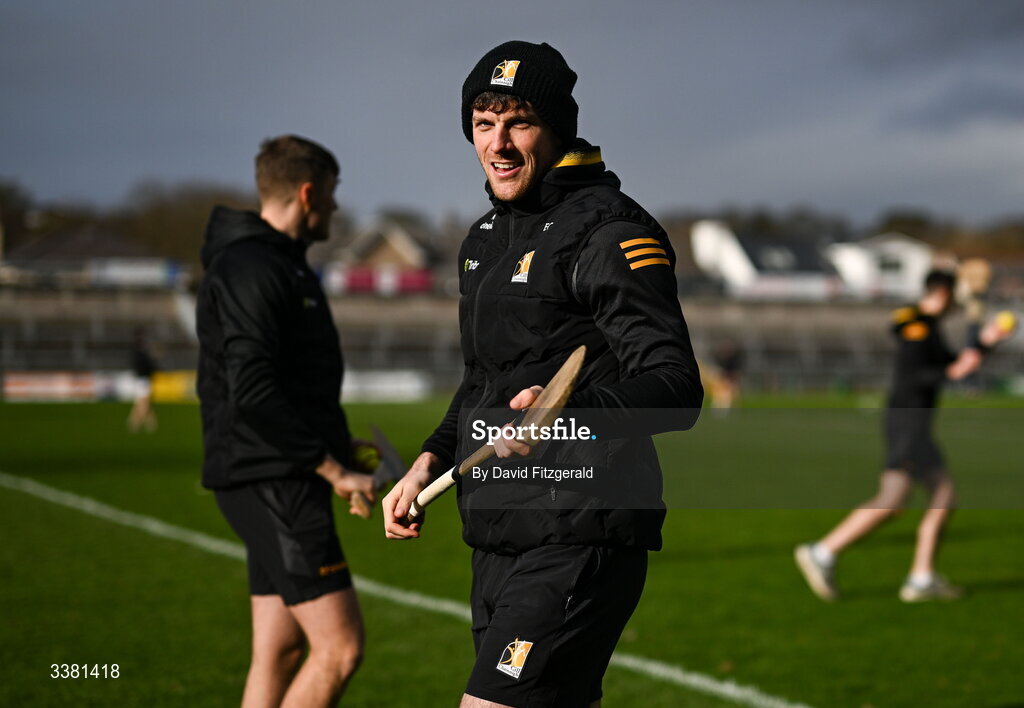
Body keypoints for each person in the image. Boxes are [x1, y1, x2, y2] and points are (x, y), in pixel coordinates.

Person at [382, 41, 703, 708]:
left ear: (557, 129)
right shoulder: (483, 240)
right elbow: (484, 381)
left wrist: (569, 414)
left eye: (519, 122)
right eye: (483, 123)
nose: (497, 144)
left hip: (580, 531)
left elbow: (676, 387)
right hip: (498, 536)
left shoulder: (611, 233)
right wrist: (427, 460)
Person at [196, 135, 375, 707]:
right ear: (307, 193)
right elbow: (252, 390)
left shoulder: (280, 263)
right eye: (332, 192)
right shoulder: (251, 265)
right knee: (339, 649)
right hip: (272, 478)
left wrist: (337, 445)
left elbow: (289, 382)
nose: (336, 206)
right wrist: (332, 470)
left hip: (277, 471)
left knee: (280, 652)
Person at [795, 269, 1012, 603]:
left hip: (917, 425)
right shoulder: (916, 324)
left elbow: (954, 363)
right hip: (907, 422)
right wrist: (951, 370)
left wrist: (985, 342)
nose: (956, 304)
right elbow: (918, 374)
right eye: (953, 296)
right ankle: (823, 552)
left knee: (943, 496)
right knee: (893, 500)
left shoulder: (930, 327)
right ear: (943, 294)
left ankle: (921, 577)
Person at [127, 327, 158, 432]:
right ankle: (136, 424)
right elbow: (147, 366)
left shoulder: (136, 351)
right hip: (143, 380)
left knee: (142, 403)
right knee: (144, 404)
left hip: (141, 379)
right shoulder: (141, 352)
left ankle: (147, 424)